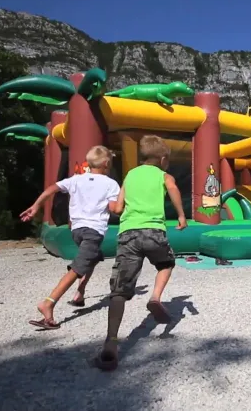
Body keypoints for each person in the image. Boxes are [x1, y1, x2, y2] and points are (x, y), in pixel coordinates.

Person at [96, 135, 187, 371]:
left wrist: (110, 208)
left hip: (128, 234)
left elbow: (118, 207)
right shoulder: (163, 176)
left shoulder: (130, 175)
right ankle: (155, 297)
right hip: (154, 231)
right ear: (163, 158)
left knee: (119, 289)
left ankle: (111, 341)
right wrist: (181, 214)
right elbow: (173, 188)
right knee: (166, 263)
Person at [21, 146, 120, 329]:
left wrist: (36, 206)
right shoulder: (110, 184)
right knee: (77, 268)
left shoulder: (76, 179)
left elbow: (52, 189)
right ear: (107, 163)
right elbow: (115, 209)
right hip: (93, 232)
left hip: (76, 231)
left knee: (92, 257)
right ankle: (49, 303)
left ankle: (79, 293)